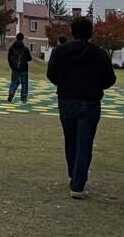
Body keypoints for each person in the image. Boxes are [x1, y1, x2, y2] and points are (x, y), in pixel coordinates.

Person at [46, 15, 116, 199]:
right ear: (90, 33)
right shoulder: (99, 53)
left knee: (71, 141)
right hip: (90, 103)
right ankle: (78, 184)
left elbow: (51, 74)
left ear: (72, 31)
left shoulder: (60, 52)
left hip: (66, 100)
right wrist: (95, 86)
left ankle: (73, 174)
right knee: (85, 143)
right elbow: (110, 79)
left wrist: (64, 84)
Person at [7, 32, 32, 103]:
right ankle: (24, 98)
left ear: (16, 38)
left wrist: (12, 66)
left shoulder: (11, 48)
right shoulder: (25, 49)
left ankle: (11, 92)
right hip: (24, 69)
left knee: (14, 82)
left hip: (15, 68)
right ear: (23, 39)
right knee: (24, 84)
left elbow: (9, 58)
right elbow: (30, 58)